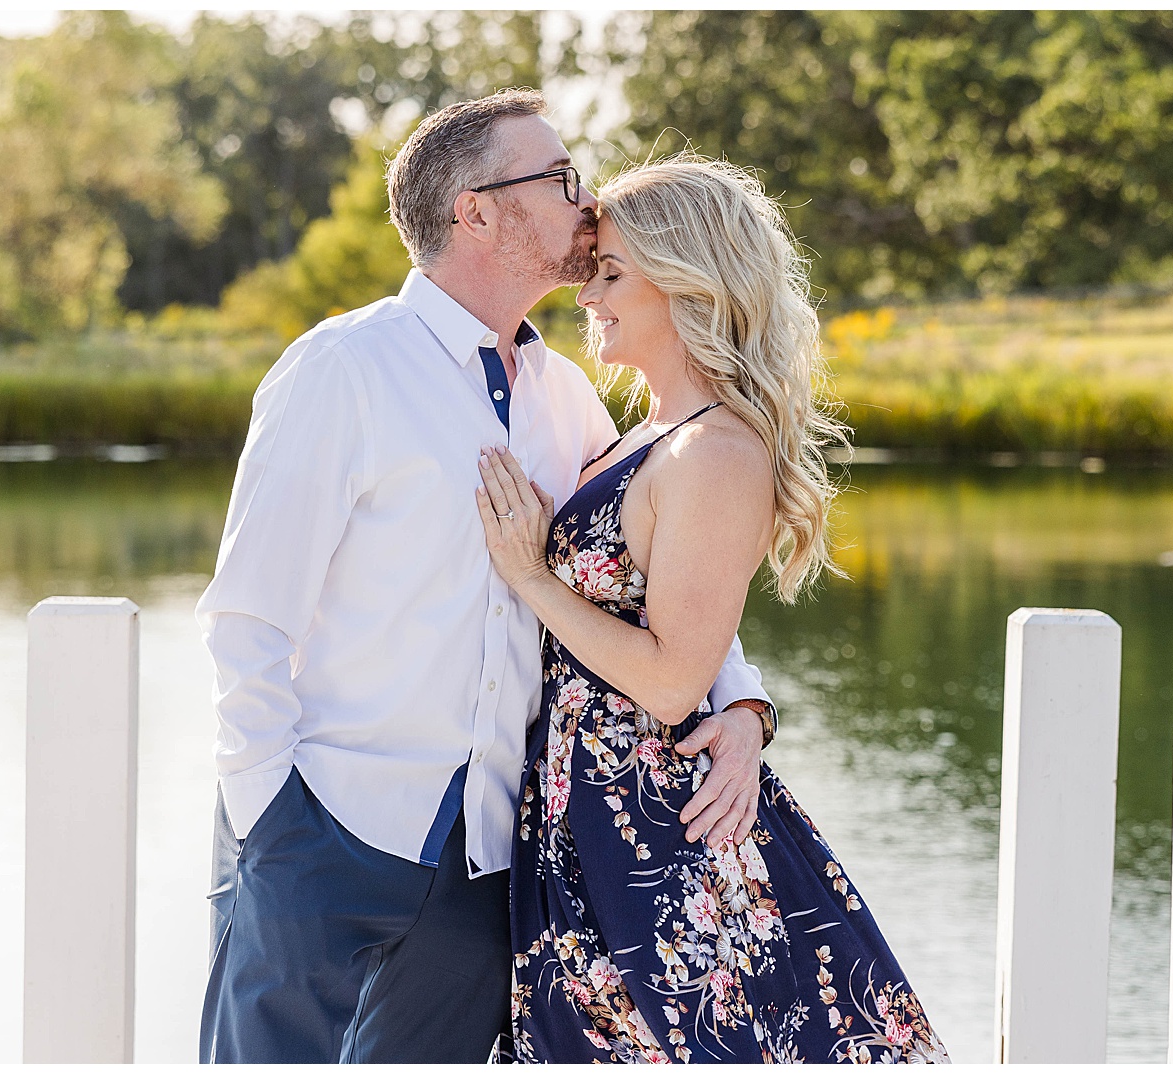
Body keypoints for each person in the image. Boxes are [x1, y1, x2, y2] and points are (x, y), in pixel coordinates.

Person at [195, 91, 780, 1064]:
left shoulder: (567, 396)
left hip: (489, 862)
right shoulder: (341, 369)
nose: (584, 205)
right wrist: (272, 820)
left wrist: (745, 705)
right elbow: (245, 617)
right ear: (475, 209)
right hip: (324, 832)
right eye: (558, 180)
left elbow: (655, 576)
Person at [475, 154, 950, 1063]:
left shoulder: (718, 453)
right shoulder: (648, 435)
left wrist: (531, 577)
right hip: (588, 811)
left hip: (660, 829)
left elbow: (672, 677)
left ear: (687, 279)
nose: (590, 296)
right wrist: (749, 705)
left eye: (612, 273)